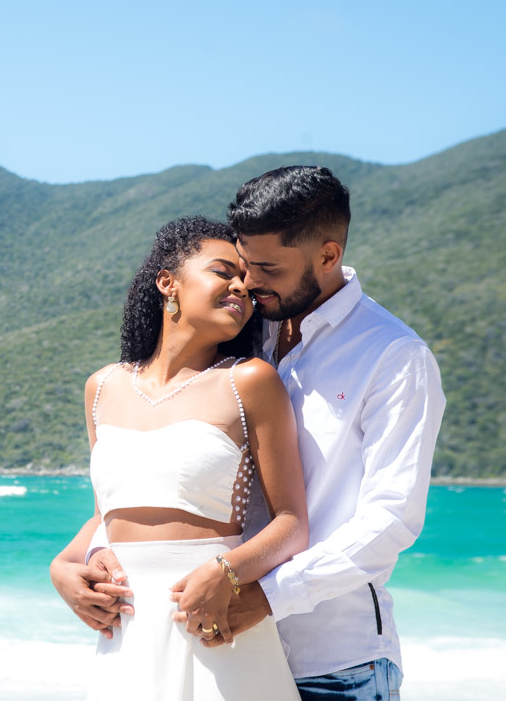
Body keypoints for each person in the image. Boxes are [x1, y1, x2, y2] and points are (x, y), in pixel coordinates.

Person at [54, 166, 446, 701]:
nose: (250, 283)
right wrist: (76, 562)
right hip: (196, 638)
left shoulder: (393, 357)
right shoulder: (240, 334)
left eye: (265, 268)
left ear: (327, 256)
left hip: (331, 660)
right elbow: (154, 481)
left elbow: (391, 518)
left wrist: (262, 595)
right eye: (242, 264)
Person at [52, 215, 309, 700]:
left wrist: (226, 572)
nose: (241, 287)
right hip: (127, 629)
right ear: (168, 282)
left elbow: (292, 524)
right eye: (223, 272)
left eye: (247, 282)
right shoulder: (102, 387)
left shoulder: (249, 381)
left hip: (211, 619)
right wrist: (63, 566)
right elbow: (105, 515)